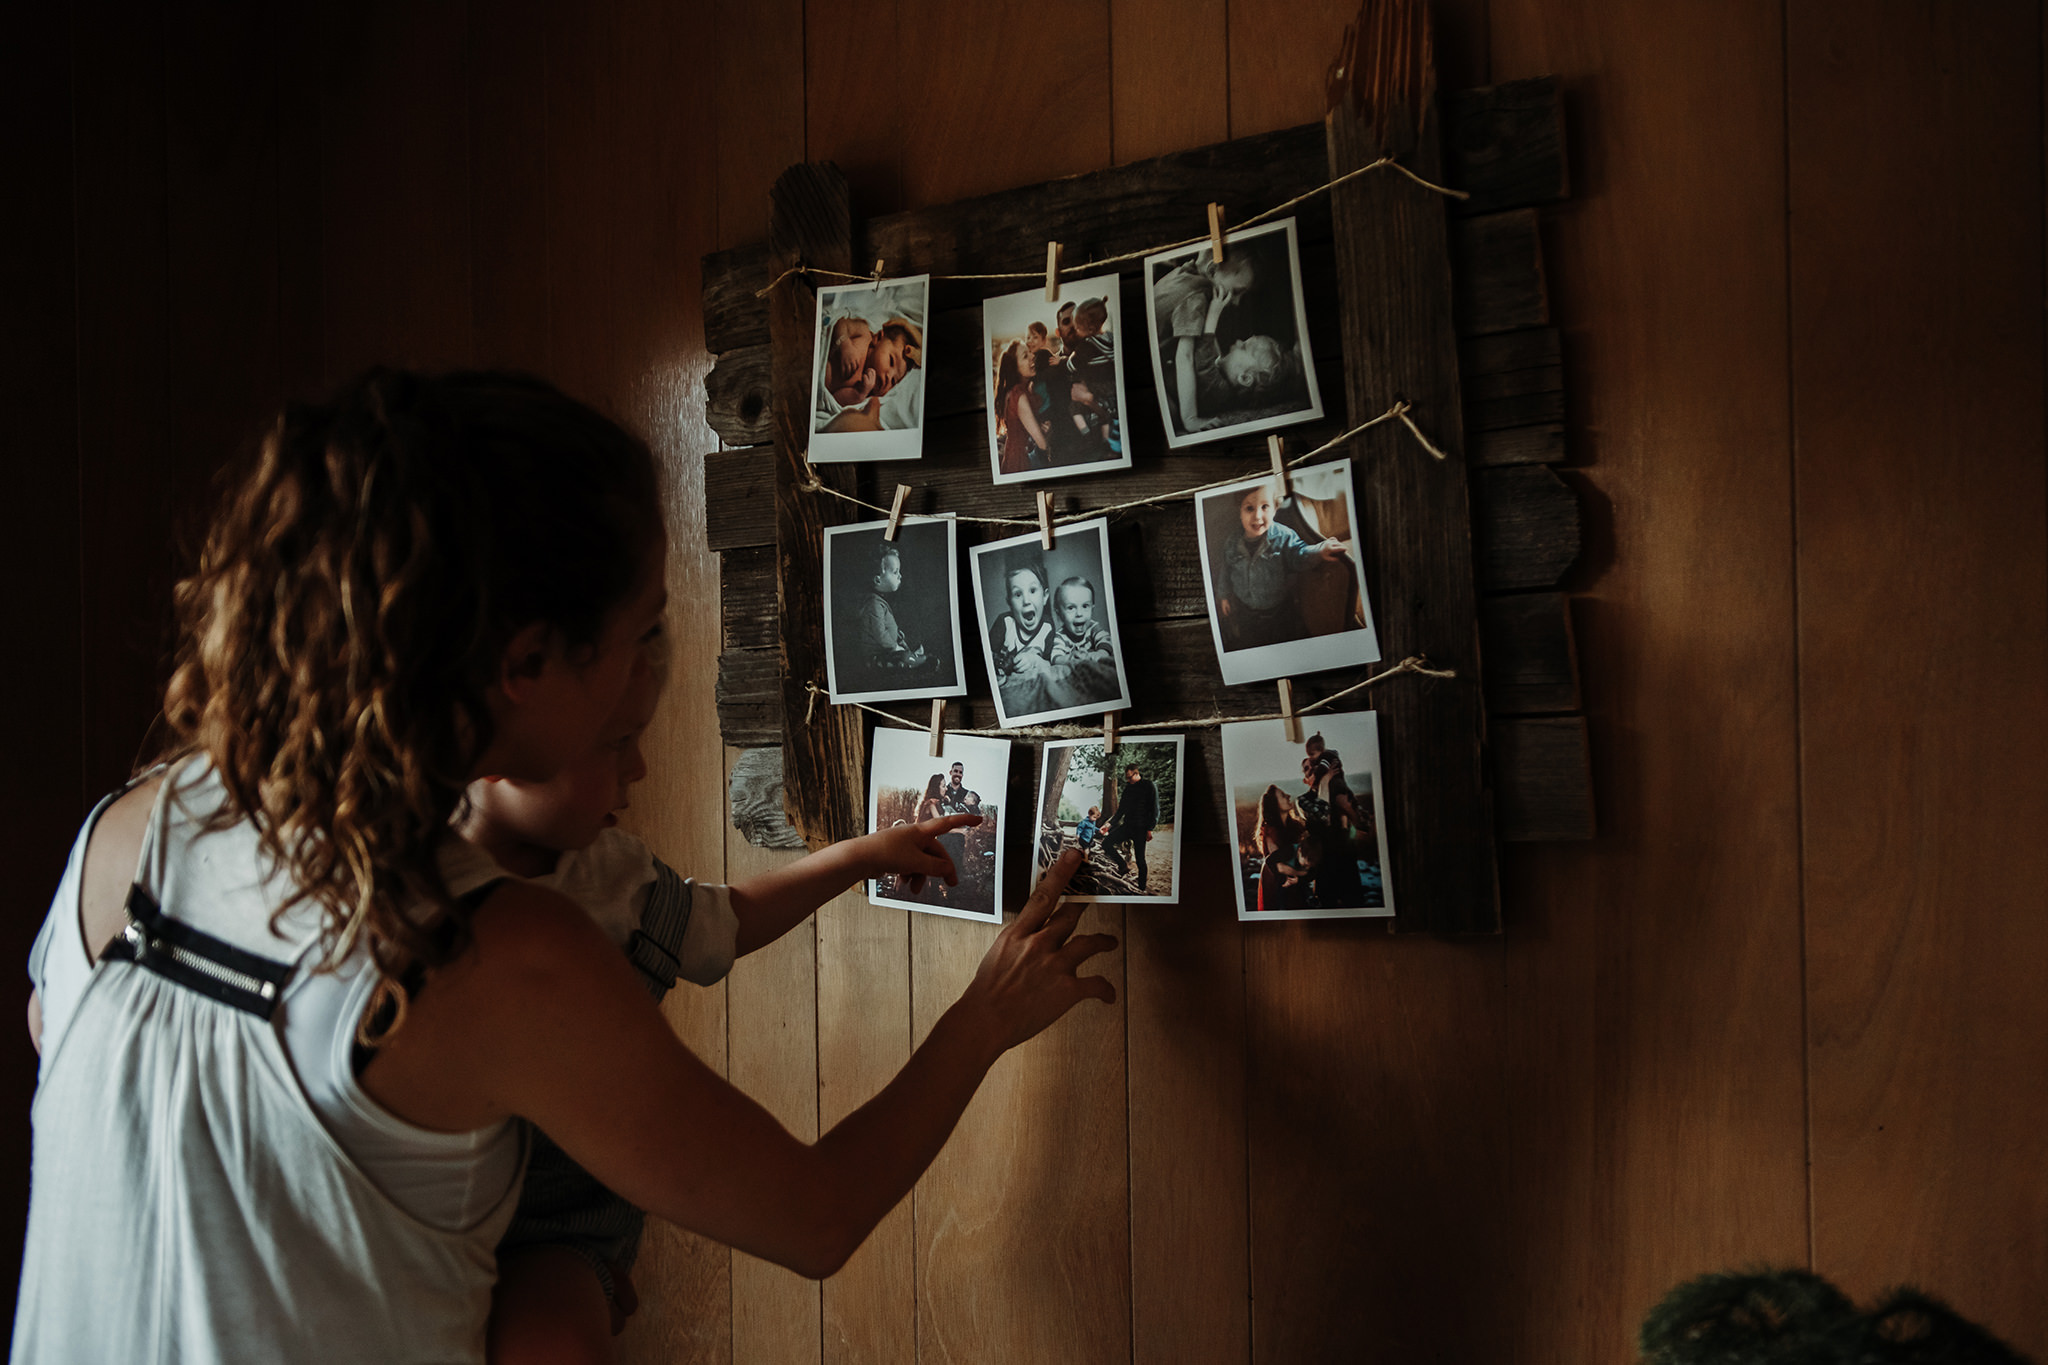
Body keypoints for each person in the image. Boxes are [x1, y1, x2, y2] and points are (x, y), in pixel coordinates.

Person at [15, 369, 1109, 1364]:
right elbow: (814, 1217)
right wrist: (983, 1015)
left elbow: (61, 1041)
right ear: (527, 661)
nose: (650, 674)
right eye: (643, 630)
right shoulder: (496, 955)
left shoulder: (134, 822)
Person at [1215, 481, 1349, 650]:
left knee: (1283, 640)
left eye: (1265, 507)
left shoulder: (1284, 536)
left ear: (1275, 509)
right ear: (1240, 512)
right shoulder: (1232, 542)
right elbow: (1225, 571)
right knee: (1251, 641)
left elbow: (1300, 554)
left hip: (1279, 609)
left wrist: (1320, 550)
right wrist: (1224, 595)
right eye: (1249, 508)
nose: (1257, 516)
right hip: (1245, 609)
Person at [852, 542, 930, 677]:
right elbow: (880, 634)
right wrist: (895, 647)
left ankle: (912, 657)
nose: (900, 576)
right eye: (895, 572)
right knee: (902, 658)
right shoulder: (873, 604)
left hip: (888, 650)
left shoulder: (879, 602)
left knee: (905, 652)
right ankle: (911, 660)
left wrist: (900, 640)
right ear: (878, 580)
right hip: (877, 656)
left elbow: (889, 629)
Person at [1101, 762, 1159, 893]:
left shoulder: (1149, 786)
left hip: (1141, 829)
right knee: (1106, 843)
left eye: (1130, 777)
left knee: (1140, 859)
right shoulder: (1128, 789)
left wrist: (1150, 829)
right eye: (1126, 777)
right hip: (1127, 826)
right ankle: (1122, 865)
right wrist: (1108, 826)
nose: (1128, 780)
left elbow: (1155, 810)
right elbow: (1120, 811)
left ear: (1137, 774)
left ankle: (1142, 888)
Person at [1251, 784, 1310, 913]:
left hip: (1294, 879)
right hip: (1279, 882)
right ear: (1274, 804)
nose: (1288, 796)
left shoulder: (1294, 825)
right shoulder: (1269, 831)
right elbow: (1279, 865)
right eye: (1283, 796)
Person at [994, 342, 1051, 475]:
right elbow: (1042, 444)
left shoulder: (1022, 390)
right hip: (1021, 459)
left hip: (1015, 454)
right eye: (1025, 356)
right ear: (1015, 368)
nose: (1032, 356)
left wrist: (1040, 426)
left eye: (1030, 352)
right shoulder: (1018, 395)